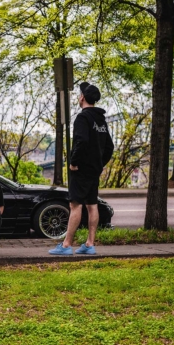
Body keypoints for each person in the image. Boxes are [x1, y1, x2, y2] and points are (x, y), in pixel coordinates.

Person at [49, 82, 114, 256]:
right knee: (92, 205)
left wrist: (74, 162)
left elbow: (81, 141)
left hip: (81, 169)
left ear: (83, 97)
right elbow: (109, 147)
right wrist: (100, 163)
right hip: (94, 170)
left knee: (75, 205)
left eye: (80, 95)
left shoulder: (82, 118)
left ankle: (66, 245)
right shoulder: (101, 120)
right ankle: (89, 244)